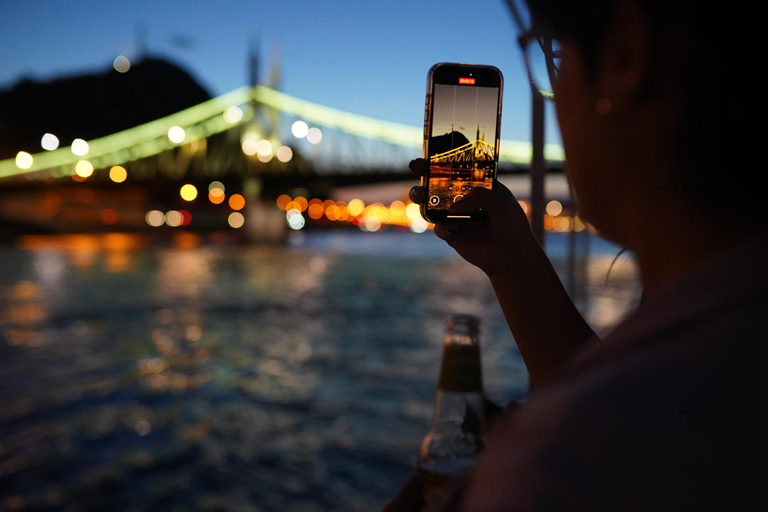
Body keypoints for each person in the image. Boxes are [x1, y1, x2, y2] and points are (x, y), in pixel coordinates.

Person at [383, 0, 767, 509]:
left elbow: (624, 424)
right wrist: (512, 260)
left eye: (557, 57)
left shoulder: (565, 465)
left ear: (623, 58)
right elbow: (644, 395)